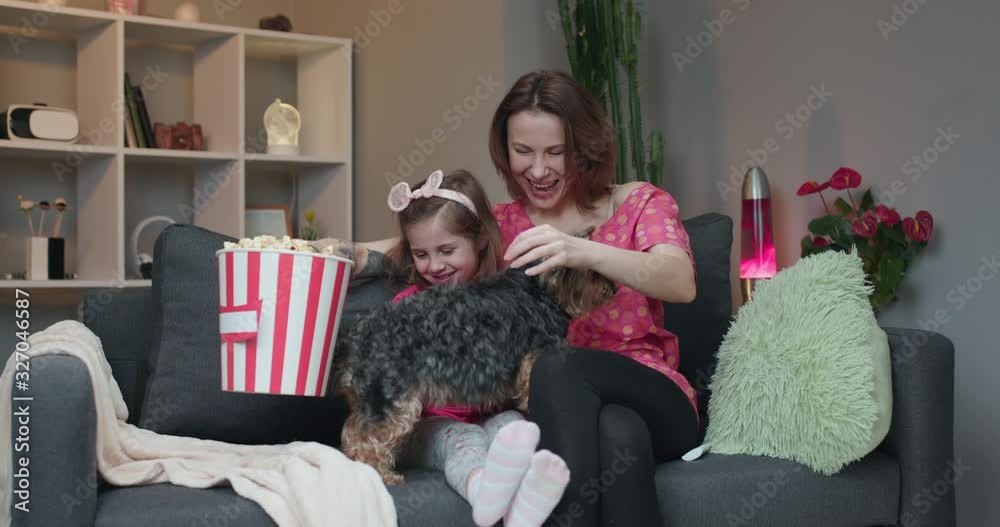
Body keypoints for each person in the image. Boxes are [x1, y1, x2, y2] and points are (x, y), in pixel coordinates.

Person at [487, 70, 700, 527]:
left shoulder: (638, 202)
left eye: (555, 152)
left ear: (583, 151)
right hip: (571, 414)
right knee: (618, 433)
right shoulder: (495, 224)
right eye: (523, 151)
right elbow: (417, 245)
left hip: (657, 395)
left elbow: (680, 281)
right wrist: (343, 252)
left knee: (559, 362)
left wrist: (581, 248)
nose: (538, 170)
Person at [376, 168, 571, 527]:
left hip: (491, 412)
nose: (434, 265)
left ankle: (524, 500)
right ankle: (482, 490)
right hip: (429, 426)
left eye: (447, 250)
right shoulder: (408, 307)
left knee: (513, 426)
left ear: (481, 239)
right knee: (463, 438)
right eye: (421, 254)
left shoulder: (506, 301)